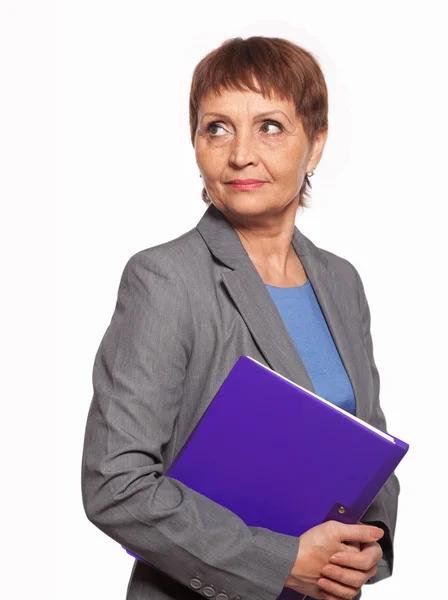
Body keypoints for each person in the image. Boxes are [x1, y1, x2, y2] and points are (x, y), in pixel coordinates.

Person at [81, 36, 400, 600]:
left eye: (271, 127)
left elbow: (364, 446)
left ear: (317, 143)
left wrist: (371, 541)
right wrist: (278, 562)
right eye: (217, 128)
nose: (240, 154)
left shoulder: (341, 282)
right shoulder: (166, 278)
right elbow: (116, 484)